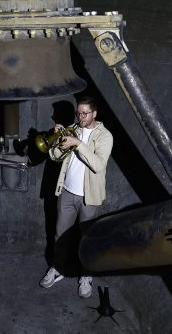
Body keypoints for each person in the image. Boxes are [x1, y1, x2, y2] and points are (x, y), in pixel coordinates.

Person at [39, 96, 113, 298]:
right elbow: (55, 157)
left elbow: (98, 165)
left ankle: (86, 275)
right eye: (78, 113)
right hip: (66, 192)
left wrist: (78, 144)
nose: (80, 117)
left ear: (94, 113)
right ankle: (57, 268)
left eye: (85, 114)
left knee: (87, 239)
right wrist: (57, 141)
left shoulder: (105, 136)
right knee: (60, 235)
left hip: (88, 198)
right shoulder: (73, 129)